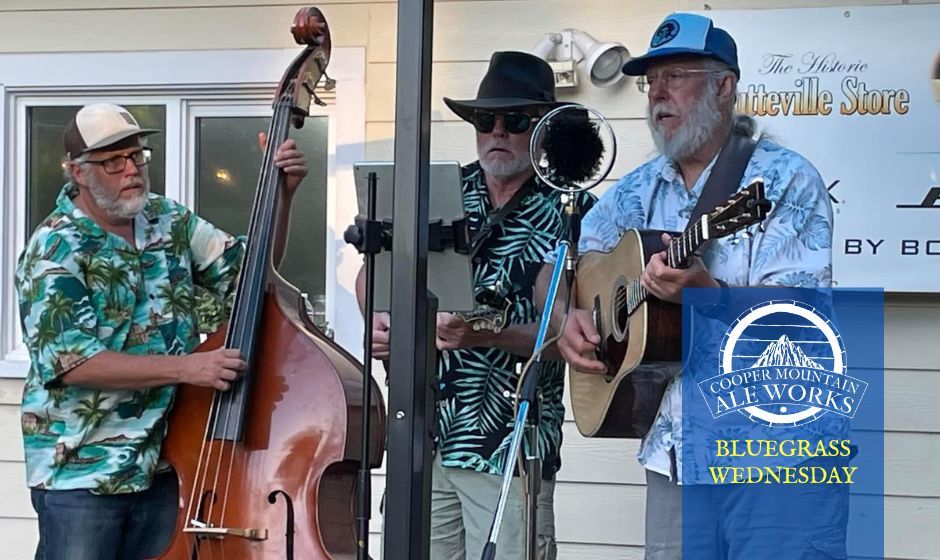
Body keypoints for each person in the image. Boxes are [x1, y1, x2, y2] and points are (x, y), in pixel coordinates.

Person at [537, 13, 838, 560]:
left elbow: (805, 319)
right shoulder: (638, 188)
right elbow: (557, 271)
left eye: (676, 75)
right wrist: (566, 317)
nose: (658, 93)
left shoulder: (786, 179)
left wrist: (707, 293)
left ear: (724, 87)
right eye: (651, 80)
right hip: (675, 450)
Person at [15, 102, 308, 560]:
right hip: (82, 476)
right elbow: (73, 363)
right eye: (113, 162)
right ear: (77, 172)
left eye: (137, 156)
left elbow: (249, 274)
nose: (131, 170)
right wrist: (189, 368)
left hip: (167, 464)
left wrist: (283, 194)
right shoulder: (54, 247)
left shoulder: (167, 219)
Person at [356, 51, 595, 559]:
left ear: (544, 128)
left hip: (505, 445)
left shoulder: (571, 212)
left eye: (515, 121)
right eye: (486, 120)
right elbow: (370, 273)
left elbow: (568, 335)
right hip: (422, 432)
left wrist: (488, 334)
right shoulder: (439, 192)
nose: (498, 132)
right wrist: (376, 317)